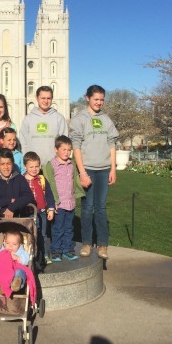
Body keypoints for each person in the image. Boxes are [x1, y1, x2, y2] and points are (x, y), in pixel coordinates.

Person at [69, 85, 119, 260]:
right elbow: (76, 147)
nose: (99, 102)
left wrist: (113, 168)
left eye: (102, 99)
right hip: (87, 169)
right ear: (87, 98)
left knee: (101, 208)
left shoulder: (106, 119)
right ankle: (87, 243)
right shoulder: (79, 119)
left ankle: (103, 244)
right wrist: (82, 172)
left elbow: (112, 144)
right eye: (96, 99)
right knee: (87, 208)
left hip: (104, 170)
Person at [43, 136, 85, 262]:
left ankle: (67, 249)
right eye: (64, 149)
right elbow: (50, 184)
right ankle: (56, 250)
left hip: (70, 202)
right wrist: (53, 202)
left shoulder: (72, 164)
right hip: (58, 204)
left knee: (69, 228)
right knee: (57, 228)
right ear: (56, 149)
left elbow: (74, 181)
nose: (67, 152)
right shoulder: (51, 165)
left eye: (69, 150)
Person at [19, 86, 68, 166]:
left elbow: (64, 143)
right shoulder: (28, 119)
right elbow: (23, 141)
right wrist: (27, 159)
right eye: (43, 98)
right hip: (33, 166)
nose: (46, 101)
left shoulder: (59, 118)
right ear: (37, 98)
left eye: (49, 98)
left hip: (54, 166)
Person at [23, 151, 55, 266]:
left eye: (37, 166)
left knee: (43, 234)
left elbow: (49, 195)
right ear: (25, 166)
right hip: (27, 214)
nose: (34, 169)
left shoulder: (41, 179)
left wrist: (50, 209)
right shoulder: (21, 180)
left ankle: (45, 254)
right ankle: (30, 255)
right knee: (29, 235)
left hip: (41, 212)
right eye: (31, 166)